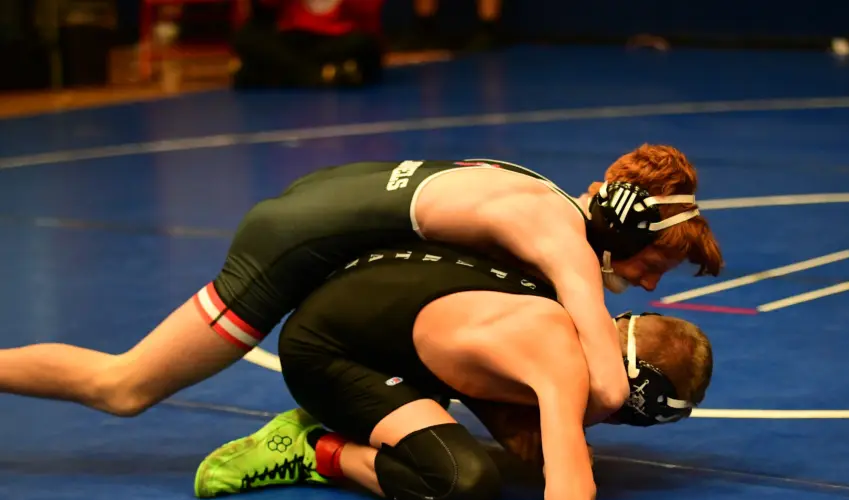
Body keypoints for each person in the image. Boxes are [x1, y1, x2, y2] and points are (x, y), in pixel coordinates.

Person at [0, 145, 722, 430]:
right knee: (124, 387)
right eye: (654, 262)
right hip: (294, 243)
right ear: (625, 224)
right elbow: (605, 384)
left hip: (327, 205)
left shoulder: (548, 203)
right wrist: (626, 396)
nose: (647, 283)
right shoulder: (557, 236)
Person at [194, 240, 713, 500]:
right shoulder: (561, 358)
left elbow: (470, 366)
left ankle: (365, 417)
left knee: (525, 443)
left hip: (367, 316)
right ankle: (316, 450)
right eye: (622, 414)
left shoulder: (567, 304)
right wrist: (571, 452)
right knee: (462, 481)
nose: (606, 418)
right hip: (326, 355)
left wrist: (540, 440)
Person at [232, 0, 386, 88]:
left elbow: (368, 13)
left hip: (337, 39)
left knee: (365, 45)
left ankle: (279, 74)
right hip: (295, 40)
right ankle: (322, 74)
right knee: (248, 37)